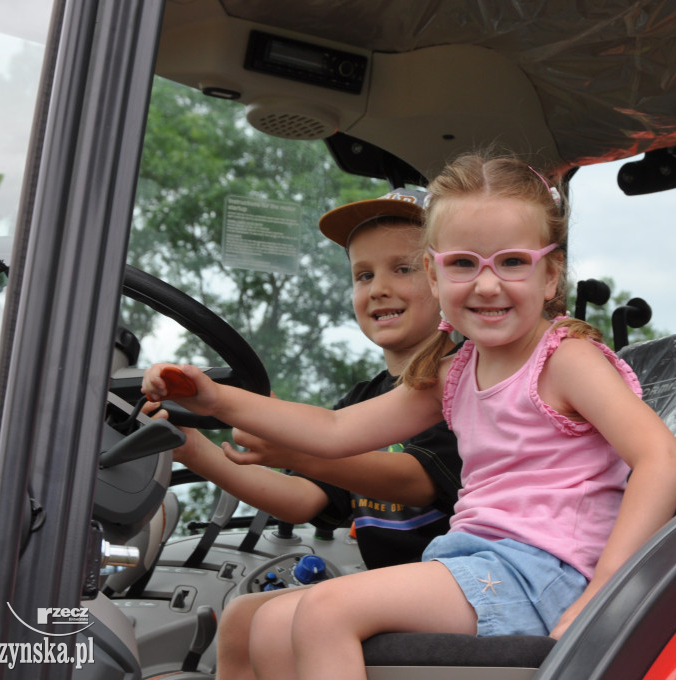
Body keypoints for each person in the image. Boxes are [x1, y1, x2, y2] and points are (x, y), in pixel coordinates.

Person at [142, 153, 676, 680]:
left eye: (513, 262)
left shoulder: (566, 358)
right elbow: (335, 432)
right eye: (463, 264)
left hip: (549, 573)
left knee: (325, 610)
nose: (488, 283)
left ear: (551, 275)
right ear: (435, 275)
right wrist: (214, 400)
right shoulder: (455, 372)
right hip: (476, 560)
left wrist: (605, 592)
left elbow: (661, 459)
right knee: (266, 625)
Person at [146, 188, 461, 680]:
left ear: (448, 278)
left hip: (452, 587)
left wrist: (301, 451)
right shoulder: (365, 399)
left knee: (278, 618)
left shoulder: (463, 379)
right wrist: (186, 444)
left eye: (403, 268)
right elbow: (299, 499)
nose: (377, 287)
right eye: (363, 274)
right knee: (243, 616)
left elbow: (417, 480)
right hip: (388, 590)